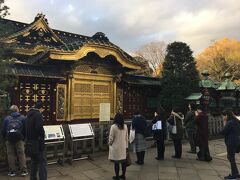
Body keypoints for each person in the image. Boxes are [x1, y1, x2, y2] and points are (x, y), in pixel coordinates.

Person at [2, 105, 28, 177]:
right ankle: (23, 171)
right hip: (19, 139)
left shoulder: (6, 119)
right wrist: (24, 138)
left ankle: (12, 171)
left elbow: (3, 130)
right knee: (21, 154)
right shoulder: (23, 118)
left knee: (10, 154)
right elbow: (26, 129)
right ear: (17, 110)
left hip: (9, 139)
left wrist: (5, 139)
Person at [25, 101, 47, 180]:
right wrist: (43, 133)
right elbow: (38, 128)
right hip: (37, 143)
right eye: (42, 109)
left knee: (34, 161)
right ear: (40, 108)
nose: (42, 111)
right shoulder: (38, 115)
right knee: (42, 162)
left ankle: (33, 178)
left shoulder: (29, 115)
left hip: (30, 142)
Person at [219, 110, 240, 180]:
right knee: (231, 157)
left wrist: (225, 124)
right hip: (236, 141)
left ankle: (234, 175)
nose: (223, 117)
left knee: (231, 158)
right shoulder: (236, 121)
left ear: (227, 115)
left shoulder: (229, 123)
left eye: (223, 116)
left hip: (231, 142)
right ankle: (236, 173)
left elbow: (222, 132)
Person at [108, 113, 128, 180]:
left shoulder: (113, 127)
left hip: (116, 147)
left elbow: (111, 138)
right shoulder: (125, 126)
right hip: (123, 146)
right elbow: (126, 137)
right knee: (123, 162)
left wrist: (109, 143)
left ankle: (117, 176)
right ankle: (123, 175)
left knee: (116, 162)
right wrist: (126, 146)